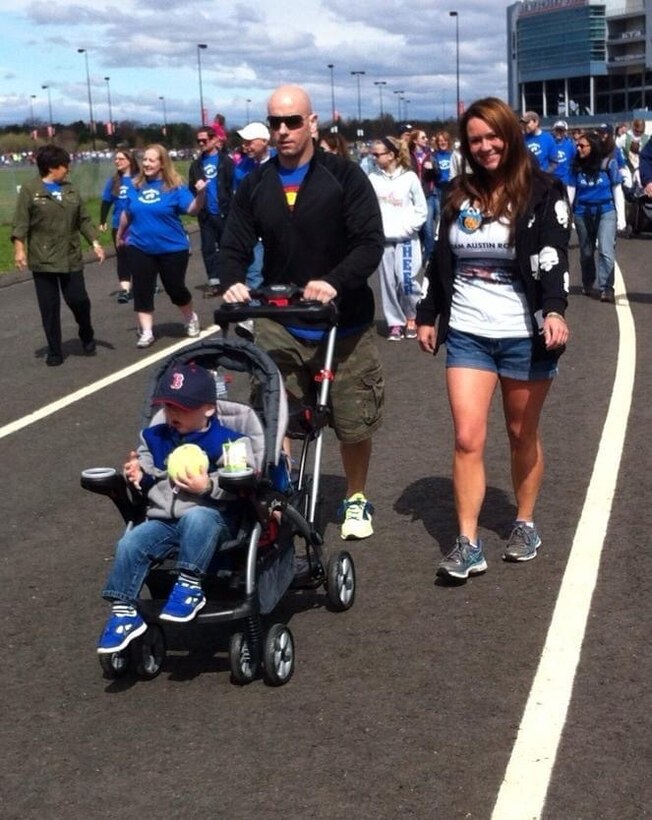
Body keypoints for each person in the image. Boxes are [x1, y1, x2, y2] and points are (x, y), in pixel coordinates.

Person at [219, 84, 385, 542]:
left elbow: (370, 241)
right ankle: (285, 490)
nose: (283, 130)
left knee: (352, 420)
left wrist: (334, 280)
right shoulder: (256, 182)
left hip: (342, 321)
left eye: (293, 121)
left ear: (313, 123)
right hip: (282, 319)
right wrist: (232, 279)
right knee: (277, 410)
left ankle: (355, 497)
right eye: (275, 122)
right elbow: (233, 242)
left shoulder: (344, 178)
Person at [416, 97, 571, 582]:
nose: (485, 147)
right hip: (468, 333)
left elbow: (553, 255)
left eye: (492, 137)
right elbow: (440, 259)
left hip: (524, 334)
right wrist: (428, 313)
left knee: (521, 434)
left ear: (511, 135)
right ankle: (468, 542)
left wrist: (554, 311)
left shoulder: (545, 191)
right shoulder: (455, 195)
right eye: (476, 139)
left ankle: (524, 522)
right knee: (467, 438)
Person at [97, 362, 255, 654]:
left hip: (214, 521)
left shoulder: (229, 441)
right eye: (168, 408)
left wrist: (207, 486)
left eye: (181, 408)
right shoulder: (154, 438)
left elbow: (244, 480)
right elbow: (144, 470)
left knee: (197, 516)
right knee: (131, 541)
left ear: (208, 409)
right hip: (165, 520)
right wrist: (136, 474)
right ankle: (123, 609)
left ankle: (189, 584)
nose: (172, 415)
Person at [11, 144, 104, 367]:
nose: (68, 170)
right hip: (43, 258)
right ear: (52, 168)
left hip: (70, 256)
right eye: (65, 165)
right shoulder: (29, 190)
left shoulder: (70, 190)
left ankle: (86, 331)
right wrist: (19, 249)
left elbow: (83, 219)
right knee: (49, 307)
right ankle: (55, 349)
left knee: (79, 300)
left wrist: (95, 242)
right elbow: (20, 223)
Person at [117, 144, 206, 348]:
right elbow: (127, 212)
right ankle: (147, 331)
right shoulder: (135, 186)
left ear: (162, 164)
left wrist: (201, 195)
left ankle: (190, 317)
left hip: (172, 248)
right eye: (144, 160)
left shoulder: (175, 188)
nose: (146, 164)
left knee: (175, 288)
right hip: (140, 246)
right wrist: (121, 234)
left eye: (151, 160)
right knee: (142, 288)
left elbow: (192, 209)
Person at [368, 136, 427, 340]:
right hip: (384, 240)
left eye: (377, 154)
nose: (374, 157)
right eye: (372, 154)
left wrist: (409, 227)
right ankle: (395, 322)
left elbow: (421, 208)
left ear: (391, 155)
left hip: (406, 239)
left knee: (406, 281)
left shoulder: (410, 178)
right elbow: (369, 209)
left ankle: (412, 316)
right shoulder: (373, 179)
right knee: (388, 283)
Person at [567, 131, 625, 303]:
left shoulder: (608, 164)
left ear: (593, 147)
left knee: (606, 251)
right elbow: (571, 191)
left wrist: (621, 218)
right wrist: (567, 215)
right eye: (577, 145)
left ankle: (607, 288)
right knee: (586, 252)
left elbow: (617, 190)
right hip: (582, 212)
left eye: (582, 146)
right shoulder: (576, 166)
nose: (578, 148)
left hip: (605, 211)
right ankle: (587, 282)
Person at [188, 126, 235, 297]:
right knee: (208, 248)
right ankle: (214, 281)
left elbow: (232, 185)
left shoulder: (226, 161)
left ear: (214, 140)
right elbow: (191, 187)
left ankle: (229, 280)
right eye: (198, 140)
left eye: (204, 140)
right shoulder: (196, 165)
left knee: (227, 247)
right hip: (205, 213)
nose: (201, 143)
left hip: (224, 211)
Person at [233, 121, 274, 290]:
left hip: (278, 226)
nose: (245, 146)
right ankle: (253, 310)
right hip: (253, 229)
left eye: (249, 142)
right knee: (253, 273)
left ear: (264, 141)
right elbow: (238, 198)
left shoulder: (281, 161)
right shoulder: (242, 167)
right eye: (244, 142)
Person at [99, 147, 139, 303]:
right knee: (122, 257)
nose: (117, 161)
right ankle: (125, 290)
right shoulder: (114, 181)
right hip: (118, 224)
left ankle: (145, 283)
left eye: (121, 159)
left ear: (129, 161)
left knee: (138, 256)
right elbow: (106, 202)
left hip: (137, 224)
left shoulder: (139, 179)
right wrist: (102, 221)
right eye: (116, 159)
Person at [407, 129, 439, 260]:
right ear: (415, 140)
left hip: (427, 195)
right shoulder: (409, 156)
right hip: (412, 197)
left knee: (428, 229)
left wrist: (433, 168)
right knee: (416, 228)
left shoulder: (430, 155)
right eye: (423, 137)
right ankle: (418, 255)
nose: (426, 140)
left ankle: (428, 258)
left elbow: (438, 174)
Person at [550, 120, 576, 188]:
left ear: (564, 132)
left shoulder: (570, 145)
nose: (559, 133)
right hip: (552, 178)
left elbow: (574, 161)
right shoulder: (550, 144)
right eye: (557, 130)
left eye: (561, 131)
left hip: (565, 179)